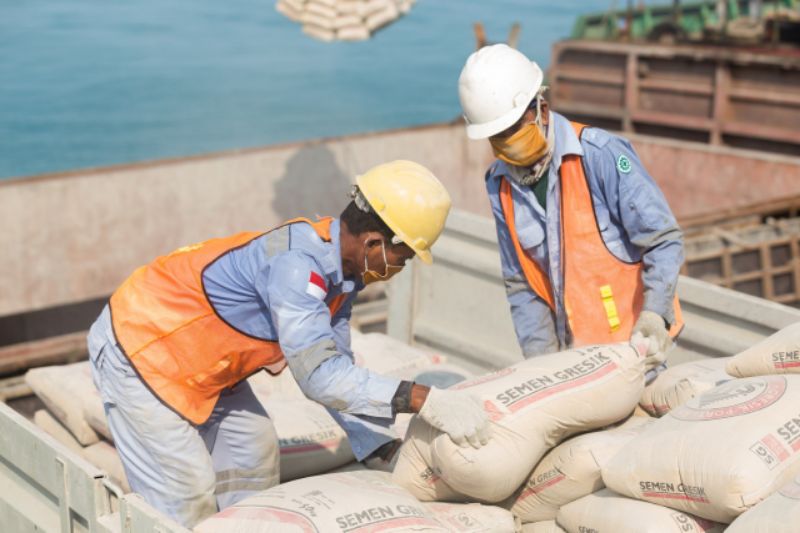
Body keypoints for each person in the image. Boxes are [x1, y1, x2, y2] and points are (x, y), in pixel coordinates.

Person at [85, 160, 490, 527]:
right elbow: (319, 378)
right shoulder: (298, 269)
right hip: (142, 349)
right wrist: (423, 398)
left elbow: (337, 368)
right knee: (185, 493)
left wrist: (375, 444)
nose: (401, 268)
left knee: (254, 450)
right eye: (403, 258)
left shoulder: (342, 276)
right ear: (372, 244)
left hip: (203, 363)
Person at [457, 44, 684, 371]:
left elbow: (663, 240)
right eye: (498, 135)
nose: (507, 141)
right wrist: (543, 365)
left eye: (513, 129)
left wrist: (655, 315)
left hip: (636, 348)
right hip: (575, 362)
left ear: (541, 109)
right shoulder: (499, 185)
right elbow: (522, 285)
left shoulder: (599, 154)